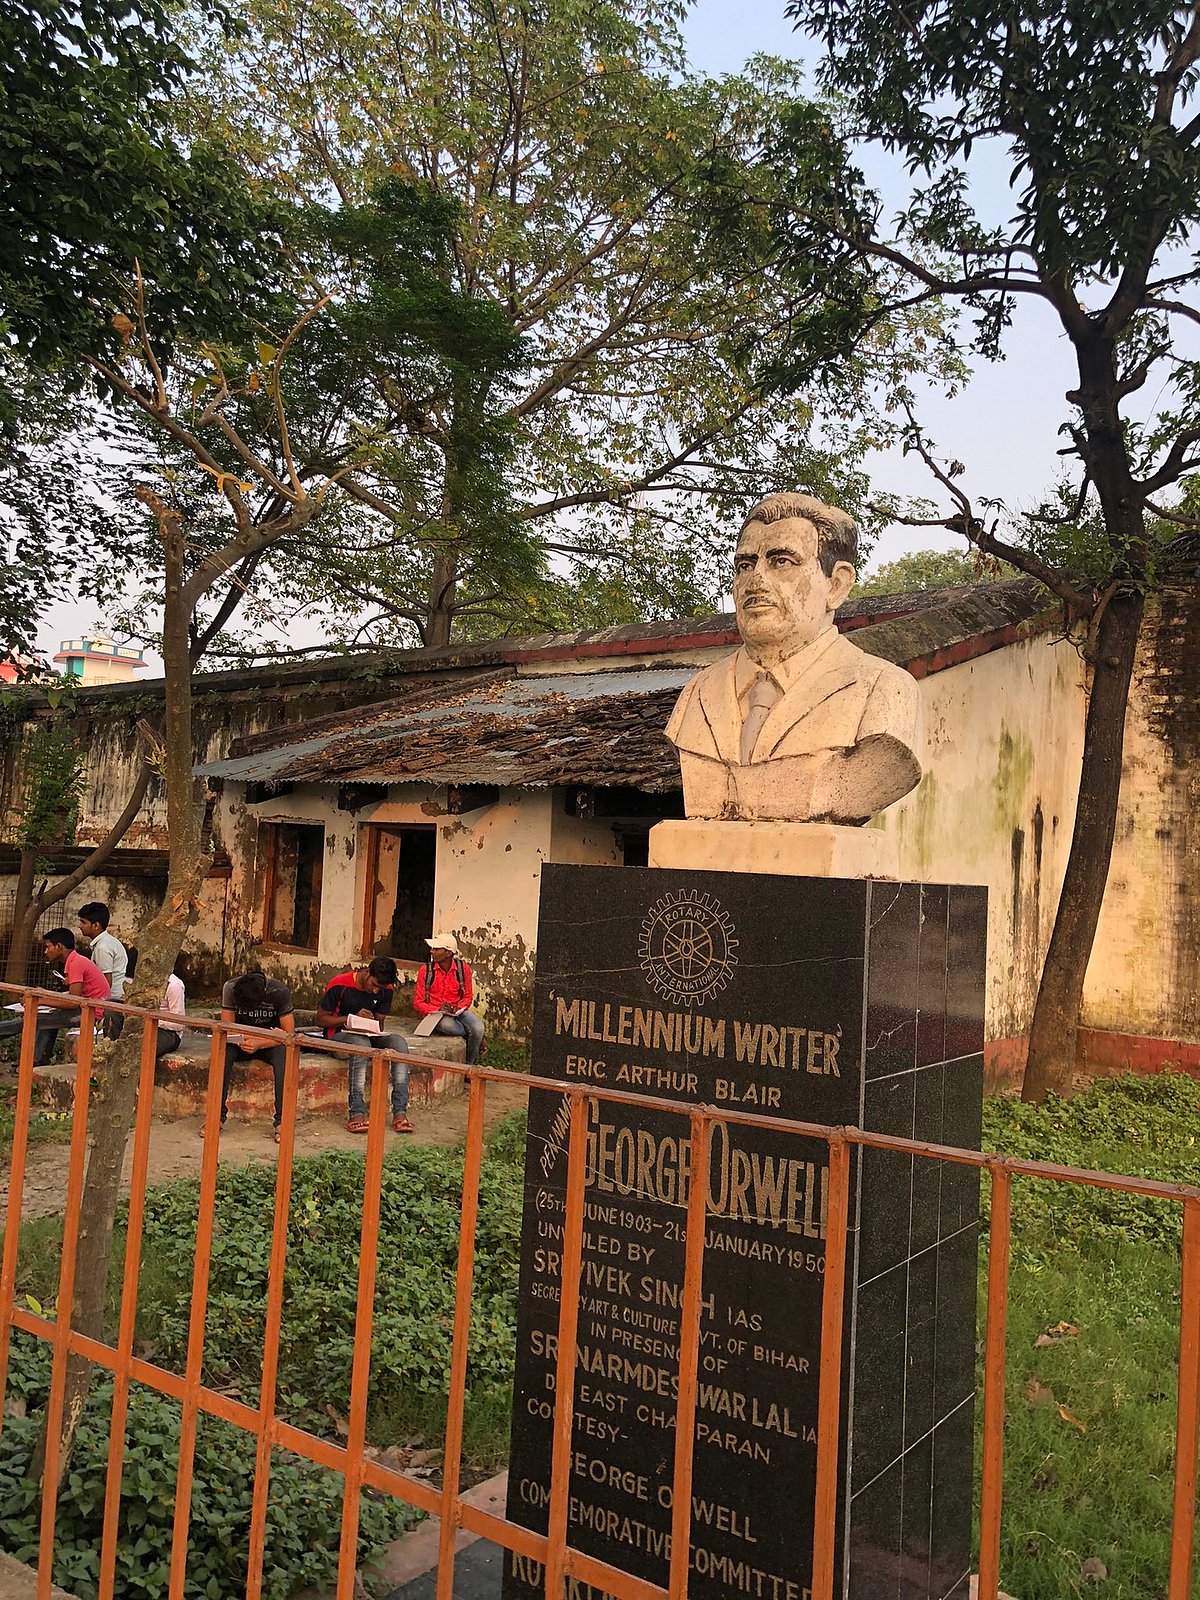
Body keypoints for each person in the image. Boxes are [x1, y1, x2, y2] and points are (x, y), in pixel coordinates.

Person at [664, 492, 924, 824]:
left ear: (836, 585)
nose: (755, 581)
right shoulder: (697, 693)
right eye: (745, 565)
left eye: (782, 561)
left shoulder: (883, 689)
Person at [315, 956, 413, 1134]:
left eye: (380, 988)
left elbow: (380, 1022)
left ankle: (400, 1112)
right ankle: (357, 1113)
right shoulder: (339, 984)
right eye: (373, 985)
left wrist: (371, 1023)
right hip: (337, 1035)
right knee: (361, 1045)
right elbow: (321, 1019)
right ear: (366, 972)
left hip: (368, 1034)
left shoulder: (386, 989)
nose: (375, 991)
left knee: (399, 1043)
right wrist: (351, 1019)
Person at [218, 969, 295, 1141]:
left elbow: (289, 1035)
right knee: (222, 1052)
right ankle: (216, 1117)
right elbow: (227, 1028)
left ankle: (283, 1122)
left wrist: (261, 1042)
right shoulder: (230, 988)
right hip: (241, 1040)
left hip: (269, 1044)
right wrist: (270, 1036)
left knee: (284, 1057)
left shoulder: (279, 992)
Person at [35, 928, 110, 1065]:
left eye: (48, 947)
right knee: (47, 1019)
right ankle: (38, 1060)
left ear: (59, 946)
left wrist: (42, 1001)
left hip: (94, 1014)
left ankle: (33, 1060)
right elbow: (74, 995)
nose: (45, 951)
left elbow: (73, 1002)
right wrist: (46, 997)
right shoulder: (75, 960)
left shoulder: (76, 963)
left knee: (34, 1019)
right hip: (87, 1008)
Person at [413, 935, 484, 1065]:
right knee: (448, 1025)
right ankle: (475, 1038)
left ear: (448, 953)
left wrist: (458, 1007)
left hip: (457, 1011)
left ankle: (469, 1064)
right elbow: (418, 1002)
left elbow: (467, 996)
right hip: (435, 1014)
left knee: (478, 1027)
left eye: (436, 949)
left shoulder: (463, 969)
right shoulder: (426, 970)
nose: (432, 951)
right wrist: (437, 1009)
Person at [78, 901, 128, 1039]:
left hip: (111, 1000)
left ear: (96, 926)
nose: (80, 926)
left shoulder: (103, 948)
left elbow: (106, 982)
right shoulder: (107, 942)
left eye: (83, 922)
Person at [156, 965, 187, 1060]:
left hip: (169, 1032)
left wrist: (156, 1022)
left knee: (143, 1048)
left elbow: (179, 1024)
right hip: (143, 1026)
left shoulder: (173, 985)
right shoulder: (143, 981)